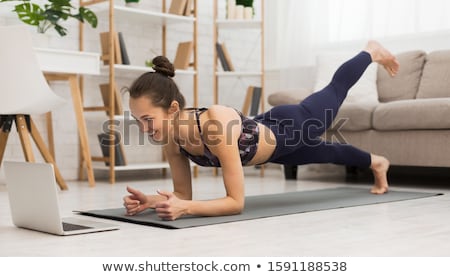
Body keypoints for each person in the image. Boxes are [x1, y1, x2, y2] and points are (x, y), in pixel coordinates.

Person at [123, 40, 400, 221]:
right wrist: (151, 201)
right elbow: (183, 195)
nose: (144, 128)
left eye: (148, 119)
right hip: (272, 145)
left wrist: (186, 209)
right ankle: (378, 161)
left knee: (334, 90)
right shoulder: (172, 141)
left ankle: (370, 52)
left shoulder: (214, 123)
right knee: (329, 152)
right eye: (138, 121)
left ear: (172, 109)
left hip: (292, 126)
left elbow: (235, 202)